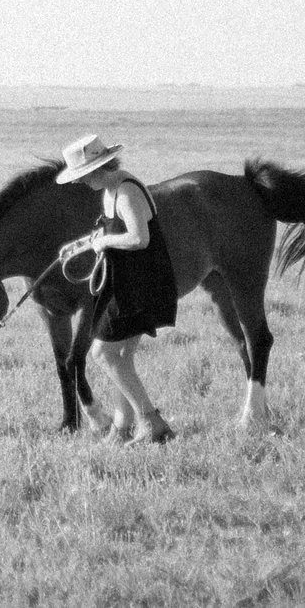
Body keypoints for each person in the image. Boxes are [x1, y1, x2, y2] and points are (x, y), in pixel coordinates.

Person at [58, 133, 181, 442]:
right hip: (126, 282)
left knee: (103, 353)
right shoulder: (109, 189)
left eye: (84, 176)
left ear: (100, 168)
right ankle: (122, 427)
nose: (82, 183)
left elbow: (140, 239)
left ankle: (151, 422)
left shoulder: (126, 191)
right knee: (121, 357)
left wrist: (103, 241)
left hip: (141, 285)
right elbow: (111, 230)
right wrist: (83, 244)